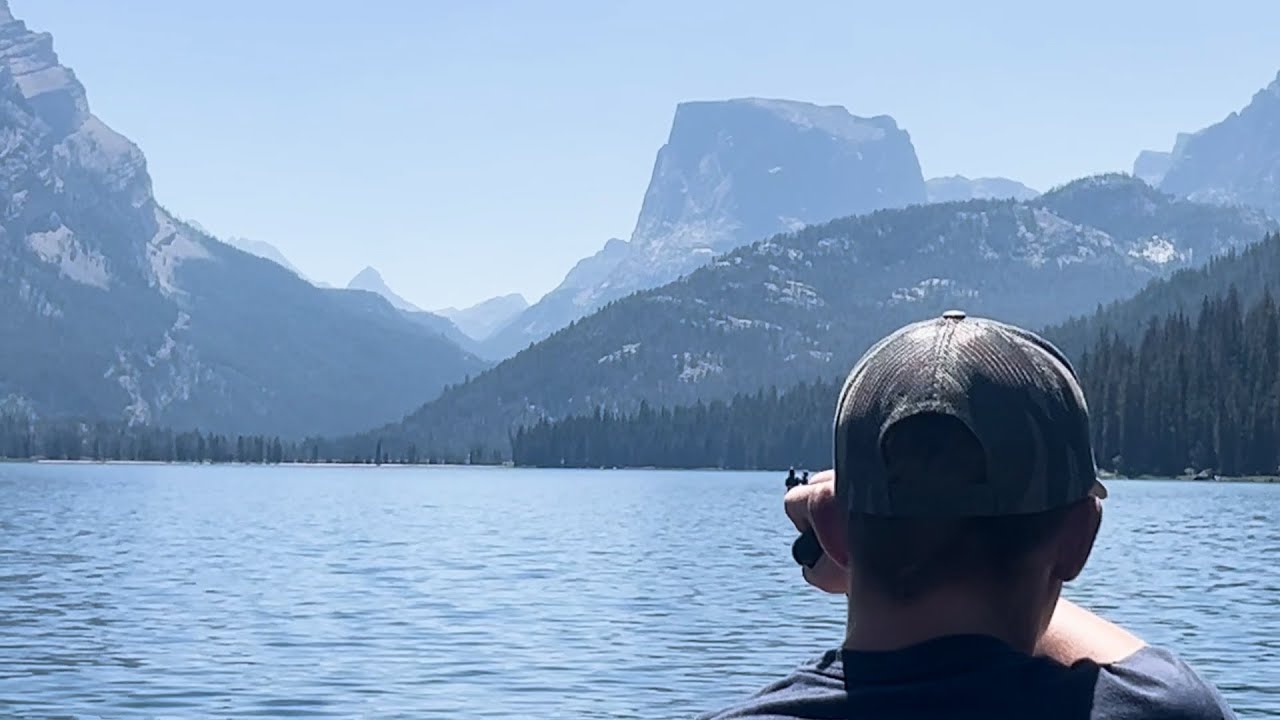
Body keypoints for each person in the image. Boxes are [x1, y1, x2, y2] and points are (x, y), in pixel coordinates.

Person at [699, 311, 1235, 719]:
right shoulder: (1167, 711)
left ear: (835, 529)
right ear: (1078, 538)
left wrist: (865, 553)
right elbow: (1147, 673)